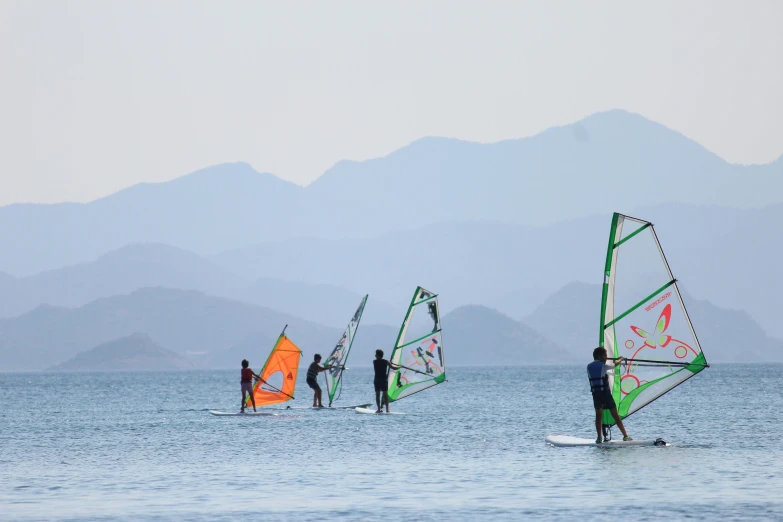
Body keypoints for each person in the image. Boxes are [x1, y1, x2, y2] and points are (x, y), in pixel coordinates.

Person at [587, 347, 632, 443]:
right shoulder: (603, 366)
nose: (606, 358)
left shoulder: (589, 366)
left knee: (598, 416)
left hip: (596, 394)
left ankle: (599, 438)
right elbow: (613, 365)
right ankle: (625, 435)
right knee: (615, 415)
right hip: (605, 394)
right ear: (599, 356)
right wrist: (621, 359)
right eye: (605, 356)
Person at [373, 349, 401, 413]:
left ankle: (379, 409)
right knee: (385, 395)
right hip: (383, 380)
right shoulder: (386, 362)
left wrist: (388, 362)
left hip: (377, 380)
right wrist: (400, 366)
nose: (375, 355)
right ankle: (387, 409)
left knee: (378, 395)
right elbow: (394, 368)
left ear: (378, 355)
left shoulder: (374, 361)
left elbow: (383, 362)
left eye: (376, 354)